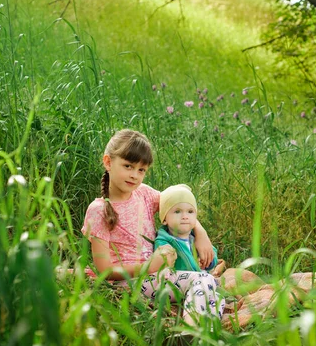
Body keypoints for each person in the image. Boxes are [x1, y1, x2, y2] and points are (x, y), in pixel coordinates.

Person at [81, 129, 225, 326]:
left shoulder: (144, 194)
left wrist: (201, 232)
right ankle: (191, 333)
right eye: (128, 166)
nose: (134, 175)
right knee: (201, 281)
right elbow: (104, 270)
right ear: (108, 162)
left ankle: (198, 333)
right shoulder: (99, 210)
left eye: (141, 170)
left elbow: (178, 204)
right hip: (128, 283)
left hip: (157, 276)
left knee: (214, 291)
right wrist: (150, 266)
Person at [154, 184, 218, 272]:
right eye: (177, 212)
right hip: (179, 280)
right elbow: (164, 265)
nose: (185, 216)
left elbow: (211, 253)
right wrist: (194, 264)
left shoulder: (195, 237)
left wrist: (206, 262)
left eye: (190, 211)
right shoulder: (164, 241)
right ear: (164, 219)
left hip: (201, 278)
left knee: (239, 275)